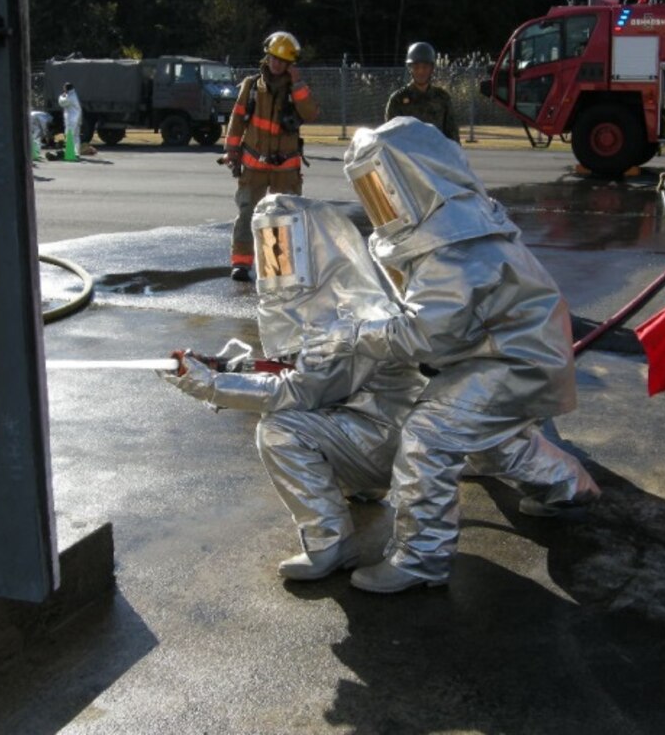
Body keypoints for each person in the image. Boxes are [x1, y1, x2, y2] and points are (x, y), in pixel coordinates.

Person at [304, 118, 600, 593]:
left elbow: (427, 333)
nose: (377, 200)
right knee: (486, 434)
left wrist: (354, 335)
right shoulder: (447, 224)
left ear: (412, 179)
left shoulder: (455, 242)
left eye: (382, 185)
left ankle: (421, 558)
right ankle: (570, 487)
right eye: (368, 189)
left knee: (431, 431)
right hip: (505, 349)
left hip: (513, 358)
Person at [163, 194, 425, 580]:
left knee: (279, 430)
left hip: (389, 445)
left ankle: (330, 540)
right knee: (305, 416)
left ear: (314, 247)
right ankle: (360, 488)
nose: (276, 258)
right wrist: (228, 367)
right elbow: (297, 369)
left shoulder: (344, 318)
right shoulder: (343, 297)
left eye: (283, 244)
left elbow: (296, 390)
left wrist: (212, 384)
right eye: (269, 244)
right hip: (386, 435)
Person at [223, 32, 320, 282]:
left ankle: (277, 265)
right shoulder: (252, 85)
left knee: (282, 217)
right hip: (253, 165)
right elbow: (237, 119)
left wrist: (297, 86)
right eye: (273, 58)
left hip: (285, 168)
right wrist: (231, 151)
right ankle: (241, 264)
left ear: (290, 64)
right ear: (266, 57)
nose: (276, 64)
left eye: (282, 60)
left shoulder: (296, 89)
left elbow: (310, 114)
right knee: (247, 212)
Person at [384, 42, 459, 143]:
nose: (421, 71)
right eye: (416, 67)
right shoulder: (397, 100)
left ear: (432, 68)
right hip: (408, 156)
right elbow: (390, 137)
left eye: (425, 67)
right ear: (410, 68)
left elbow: (452, 136)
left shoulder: (442, 98)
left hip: (436, 156)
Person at [58, 82, 82, 160]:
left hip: (72, 119)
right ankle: (76, 152)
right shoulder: (73, 95)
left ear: (66, 88)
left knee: (69, 135)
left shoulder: (70, 97)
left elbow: (62, 102)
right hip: (77, 118)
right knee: (76, 136)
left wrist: (61, 96)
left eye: (64, 88)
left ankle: (70, 153)